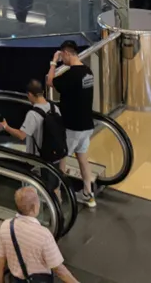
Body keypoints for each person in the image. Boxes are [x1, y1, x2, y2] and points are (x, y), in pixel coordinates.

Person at [0, 186, 81, 283]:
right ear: (35, 207)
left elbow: (0, 260)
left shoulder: (5, 226)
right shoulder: (43, 235)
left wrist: (0, 280)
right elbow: (59, 270)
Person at [48, 41, 97, 209]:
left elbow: (50, 81)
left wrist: (53, 62)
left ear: (67, 54)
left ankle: (57, 196)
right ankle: (88, 194)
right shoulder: (88, 72)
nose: (62, 61)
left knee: (60, 158)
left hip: (72, 126)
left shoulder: (71, 75)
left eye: (62, 57)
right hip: (87, 125)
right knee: (83, 159)